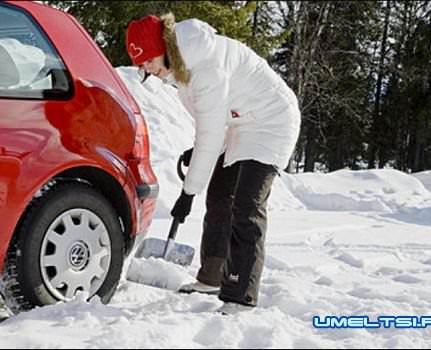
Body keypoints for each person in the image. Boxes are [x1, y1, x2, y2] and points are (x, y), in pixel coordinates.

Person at [126, 13, 301, 314]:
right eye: (140, 66)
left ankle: (241, 295)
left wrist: (187, 193)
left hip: (273, 122)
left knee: (246, 206)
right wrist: (199, 153)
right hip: (240, 124)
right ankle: (213, 277)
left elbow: (210, 129)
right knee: (220, 196)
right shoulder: (183, 68)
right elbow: (212, 126)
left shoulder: (205, 67)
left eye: (147, 61)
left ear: (163, 47)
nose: (146, 70)